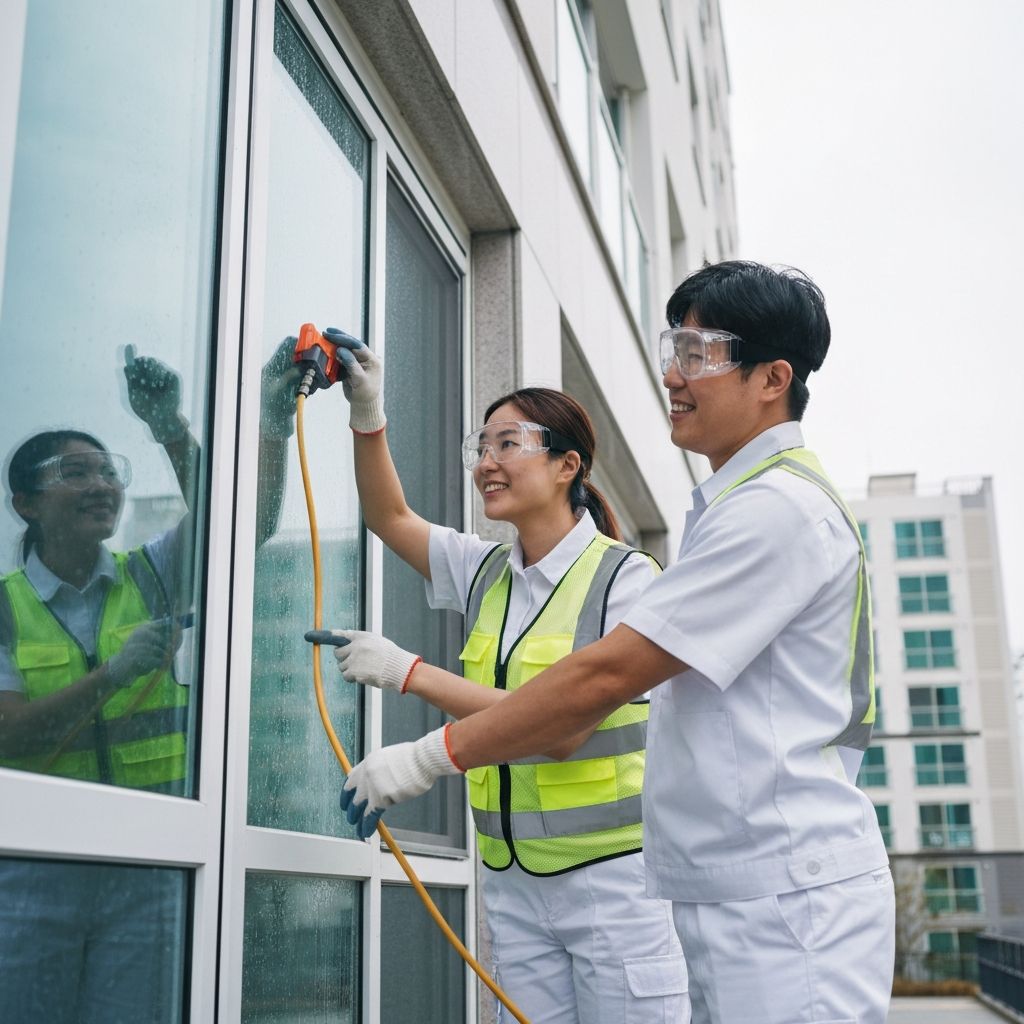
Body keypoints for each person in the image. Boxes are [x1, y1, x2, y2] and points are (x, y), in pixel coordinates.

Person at [337, 262, 896, 1024]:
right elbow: (391, 518)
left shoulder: (771, 513)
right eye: (675, 350)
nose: (674, 373)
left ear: (773, 378)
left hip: (751, 894)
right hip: (707, 886)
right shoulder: (728, 509)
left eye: (699, 355)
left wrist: (427, 744)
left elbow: (600, 684)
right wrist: (368, 411)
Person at [316, 327, 689, 1023]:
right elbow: (387, 515)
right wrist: (368, 413)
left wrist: (410, 673)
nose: (486, 461)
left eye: (507, 444)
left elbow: (560, 727)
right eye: (480, 447)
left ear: (566, 465)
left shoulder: (626, 581)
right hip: (513, 884)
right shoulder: (485, 570)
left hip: (617, 886)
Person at [0, 342, 299, 1023]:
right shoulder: (1, 606)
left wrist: (173, 425)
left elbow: (242, 524)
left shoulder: (149, 573)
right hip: (29, 869)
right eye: (76, 473)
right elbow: (8, 730)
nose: (103, 485)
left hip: (151, 867)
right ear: (26, 503)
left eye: (109, 472)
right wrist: (113, 674)